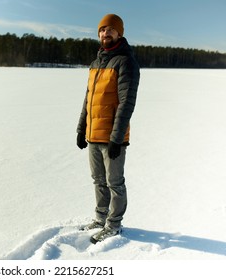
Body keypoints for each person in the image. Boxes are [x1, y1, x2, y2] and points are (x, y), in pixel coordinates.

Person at [76, 14, 140, 244]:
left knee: (115, 183)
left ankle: (114, 225)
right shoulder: (96, 64)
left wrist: (116, 138)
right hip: (93, 135)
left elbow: (126, 102)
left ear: (120, 33)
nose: (106, 33)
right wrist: (81, 128)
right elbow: (88, 100)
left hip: (113, 138)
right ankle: (100, 218)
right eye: (102, 30)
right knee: (98, 181)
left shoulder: (125, 62)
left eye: (111, 29)